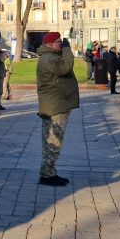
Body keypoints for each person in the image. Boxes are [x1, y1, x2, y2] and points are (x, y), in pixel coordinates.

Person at [35, 32, 78, 187]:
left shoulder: (50, 57)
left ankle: (49, 172)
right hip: (55, 106)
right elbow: (65, 67)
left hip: (56, 104)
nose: (61, 44)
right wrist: (67, 50)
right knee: (54, 141)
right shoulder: (48, 59)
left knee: (53, 140)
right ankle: (47, 175)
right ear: (50, 44)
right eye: (59, 42)